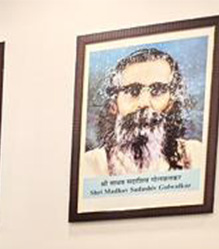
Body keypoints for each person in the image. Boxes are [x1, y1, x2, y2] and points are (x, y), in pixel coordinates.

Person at [80, 47, 206, 177]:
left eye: (157, 90)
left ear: (171, 103)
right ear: (114, 105)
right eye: (132, 91)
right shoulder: (90, 164)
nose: (144, 103)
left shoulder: (196, 156)